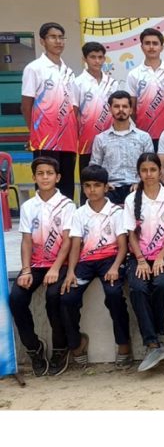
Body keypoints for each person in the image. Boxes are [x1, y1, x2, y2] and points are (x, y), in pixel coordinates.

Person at [9, 156, 76, 376]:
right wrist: (26, 269)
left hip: (60, 263)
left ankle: (60, 347)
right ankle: (34, 347)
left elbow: (67, 241)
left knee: (53, 297)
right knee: (17, 298)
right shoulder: (29, 206)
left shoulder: (67, 205)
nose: (45, 177)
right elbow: (26, 240)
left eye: (49, 173)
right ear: (34, 177)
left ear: (58, 177)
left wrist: (56, 268)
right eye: (40, 173)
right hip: (36, 264)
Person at [60, 164, 131, 368]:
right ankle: (76, 343)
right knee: (67, 297)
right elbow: (75, 245)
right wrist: (71, 272)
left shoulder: (116, 212)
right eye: (88, 186)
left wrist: (116, 266)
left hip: (111, 260)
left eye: (97, 185)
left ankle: (124, 344)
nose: (92, 190)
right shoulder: (79, 213)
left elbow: (123, 246)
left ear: (106, 187)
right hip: (86, 262)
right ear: (83, 188)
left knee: (114, 294)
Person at [123, 153, 164, 373]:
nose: (149, 175)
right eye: (144, 170)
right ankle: (153, 343)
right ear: (139, 173)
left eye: (153, 170)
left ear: (160, 172)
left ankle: (153, 335)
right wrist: (140, 260)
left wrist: (159, 258)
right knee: (138, 288)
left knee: (163, 283)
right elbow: (131, 235)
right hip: (139, 256)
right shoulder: (131, 199)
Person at [21, 22, 78, 200]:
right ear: (42, 41)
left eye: (61, 37)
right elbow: (26, 104)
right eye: (53, 37)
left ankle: (67, 222)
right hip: (45, 139)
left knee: (66, 182)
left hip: (68, 138)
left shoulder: (69, 72)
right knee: (46, 182)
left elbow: (74, 106)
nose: (58, 41)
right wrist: (34, 134)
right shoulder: (34, 68)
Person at [90, 91, 154, 205]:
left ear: (131, 110)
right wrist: (104, 184)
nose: (121, 110)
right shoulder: (100, 139)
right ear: (110, 110)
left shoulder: (144, 137)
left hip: (137, 187)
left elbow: (151, 166)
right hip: (110, 190)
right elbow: (94, 168)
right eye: (116, 106)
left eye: (125, 106)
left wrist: (142, 183)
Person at [126, 28, 164, 150]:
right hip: (144, 134)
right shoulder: (134, 74)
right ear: (142, 47)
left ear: (161, 47)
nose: (151, 47)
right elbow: (132, 109)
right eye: (147, 43)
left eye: (155, 43)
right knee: (147, 169)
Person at [74, 41, 119, 193]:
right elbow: (74, 113)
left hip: (110, 141)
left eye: (100, 57)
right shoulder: (77, 83)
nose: (97, 61)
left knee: (110, 182)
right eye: (93, 57)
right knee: (89, 185)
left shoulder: (112, 83)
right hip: (86, 143)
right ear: (84, 59)